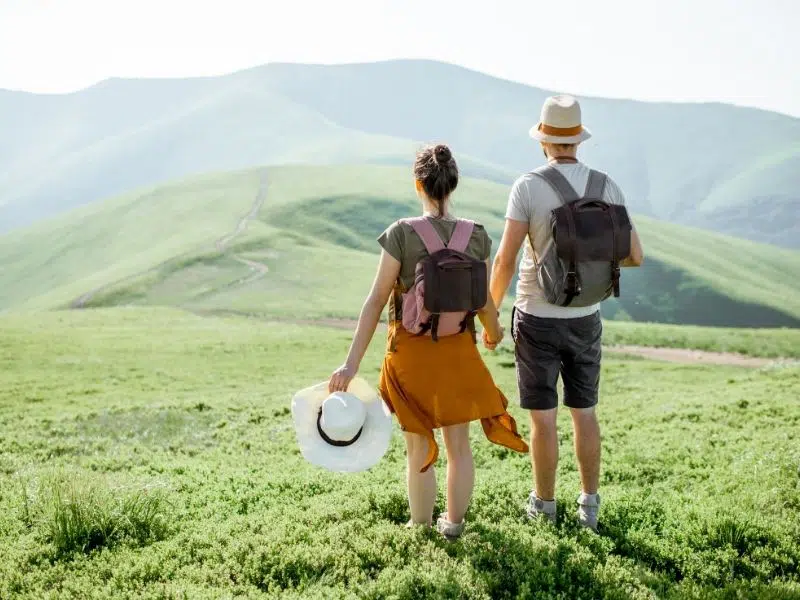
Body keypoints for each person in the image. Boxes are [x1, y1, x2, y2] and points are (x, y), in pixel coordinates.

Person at [329, 144, 529, 540]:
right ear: (453, 184)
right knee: (459, 447)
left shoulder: (401, 234)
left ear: (417, 183)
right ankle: (453, 526)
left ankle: (419, 528)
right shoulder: (476, 237)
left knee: (418, 449)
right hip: (458, 354)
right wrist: (492, 333)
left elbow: (375, 302)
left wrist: (350, 365)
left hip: (410, 356)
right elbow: (485, 303)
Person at [488, 95, 644, 531]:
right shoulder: (606, 186)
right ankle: (589, 507)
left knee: (543, 418)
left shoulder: (529, 186)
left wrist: (491, 316)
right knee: (585, 413)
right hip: (586, 318)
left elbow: (505, 259)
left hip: (536, 317)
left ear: (543, 140)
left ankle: (544, 506)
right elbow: (633, 255)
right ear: (578, 140)